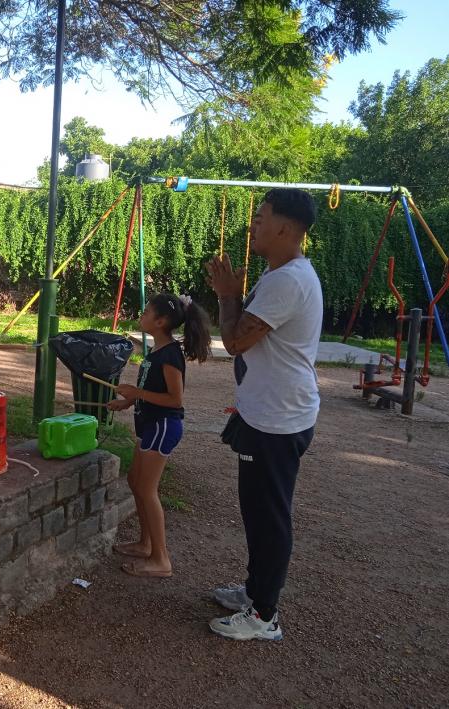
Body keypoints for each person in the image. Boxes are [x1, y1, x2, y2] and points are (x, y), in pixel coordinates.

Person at [205, 188, 322, 641]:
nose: (253, 224)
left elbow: (234, 341)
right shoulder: (284, 275)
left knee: (268, 516)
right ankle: (255, 592)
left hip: (278, 419)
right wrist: (232, 294)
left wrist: (227, 296)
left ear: (285, 228)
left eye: (262, 216)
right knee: (257, 511)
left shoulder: (286, 281)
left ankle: (264, 616)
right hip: (271, 413)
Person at [107, 293, 212, 578]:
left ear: (161, 321)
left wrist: (137, 393)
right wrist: (128, 401)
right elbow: (151, 390)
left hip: (164, 426)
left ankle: (161, 558)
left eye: (145, 312)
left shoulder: (170, 355)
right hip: (151, 424)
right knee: (134, 481)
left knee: (146, 488)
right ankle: (145, 544)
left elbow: (175, 400)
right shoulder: (156, 352)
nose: (141, 316)